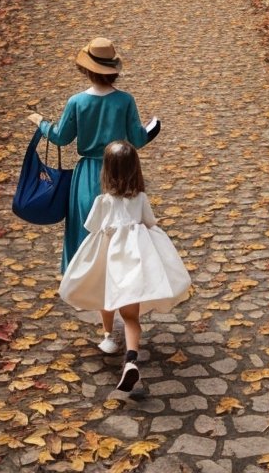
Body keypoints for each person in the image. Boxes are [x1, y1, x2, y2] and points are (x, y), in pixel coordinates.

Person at [59, 140, 191, 398]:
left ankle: (108, 336)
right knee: (131, 316)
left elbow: (91, 227)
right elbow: (150, 222)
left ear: (106, 171)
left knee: (104, 295)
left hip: (108, 259)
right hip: (134, 261)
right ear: (136, 170)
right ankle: (131, 359)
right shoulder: (140, 198)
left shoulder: (103, 201)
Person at [27, 37, 159, 271]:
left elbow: (61, 137)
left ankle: (85, 276)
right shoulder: (125, 100)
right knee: (123, 224)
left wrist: (41, 123)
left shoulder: (77, 102)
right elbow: (138, 139)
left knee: (86, 225)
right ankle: (122, 273)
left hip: (87, 173)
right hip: (121, 171)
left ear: (86, 70)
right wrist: (153, 126)